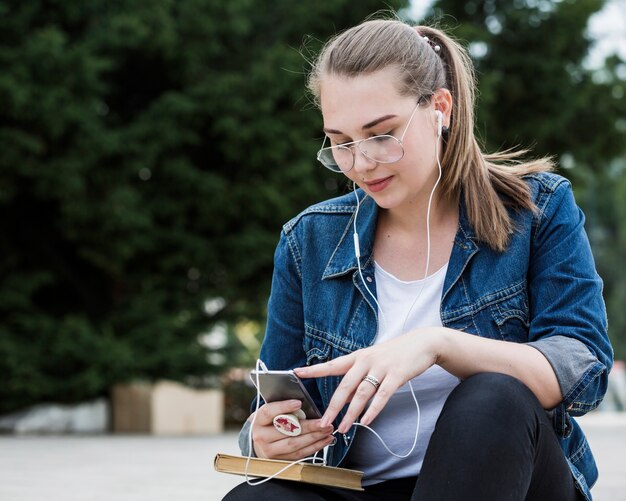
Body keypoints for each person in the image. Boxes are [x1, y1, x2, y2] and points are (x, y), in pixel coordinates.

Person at [223, 18, 613, 501]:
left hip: (517, 483)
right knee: (255, 498)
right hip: (368, 488)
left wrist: (437, 345)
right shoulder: (310, 239)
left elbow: (583, 367)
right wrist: (265, 437)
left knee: (493, 397)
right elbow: (278, 402)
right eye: (341, 143)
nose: (361, 164)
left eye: (381, 134)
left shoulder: (540, 209)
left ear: (439, 109)